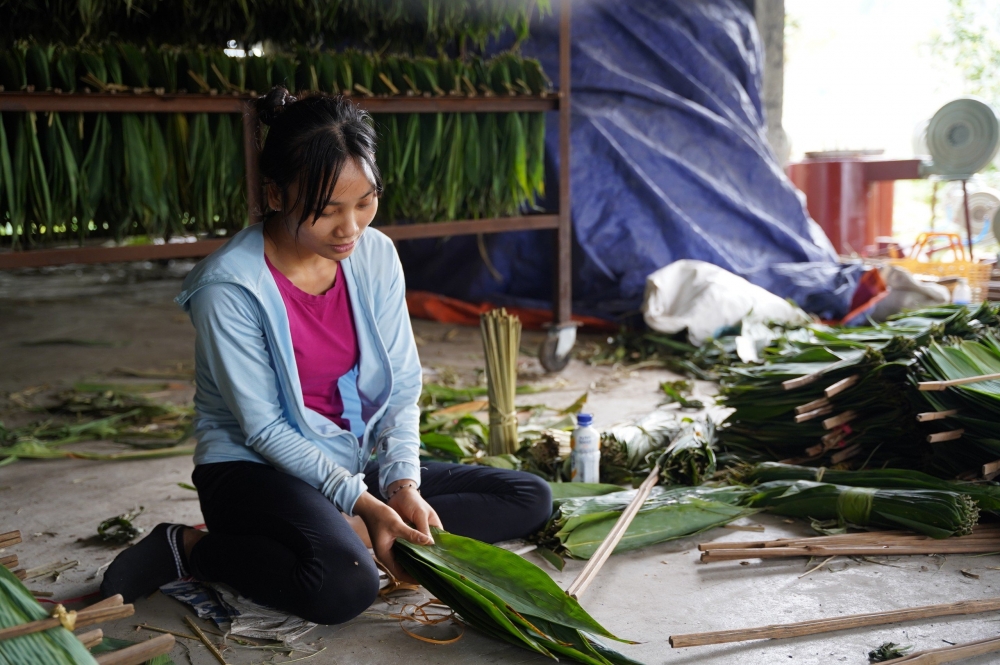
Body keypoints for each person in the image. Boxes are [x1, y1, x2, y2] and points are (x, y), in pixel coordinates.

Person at [101, 87, 552, 624]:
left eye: (365, 202)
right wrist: (368, 503)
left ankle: (351, 529)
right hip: (252, 469)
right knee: (343, 586)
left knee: (528, 496)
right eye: (326, 211)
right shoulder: (228, 287)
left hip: (350, 458)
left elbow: (403, 386)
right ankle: (190, 548)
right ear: (274, 195)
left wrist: (401, 484)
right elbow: (265, 431)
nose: (351, 228)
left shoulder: (375, 255)